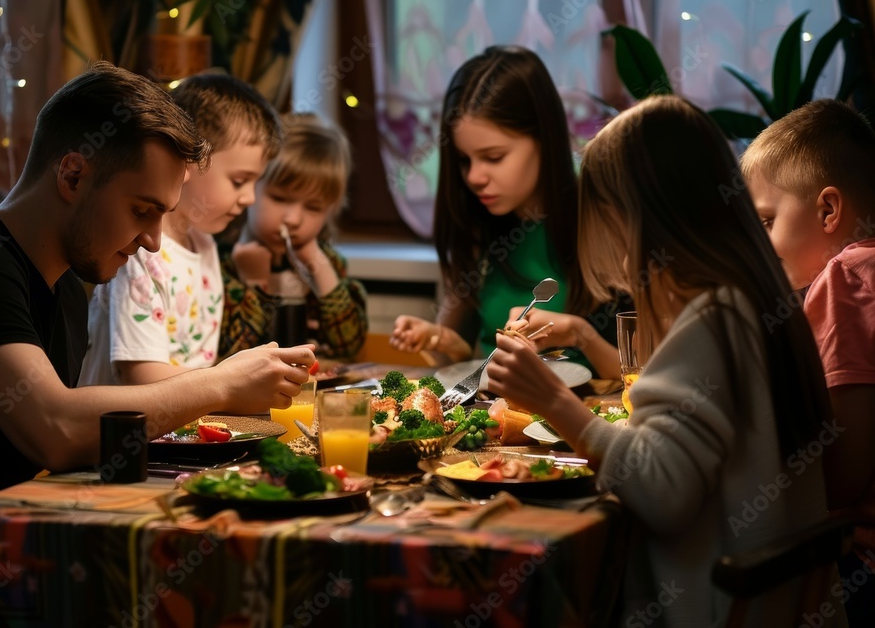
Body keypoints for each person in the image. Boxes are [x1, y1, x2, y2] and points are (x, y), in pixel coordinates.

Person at [0, 62, 314, 581]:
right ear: (73, 175)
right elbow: (55, 428)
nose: (153, 239)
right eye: (142, 210)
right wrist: (221, 384)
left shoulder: (66, 288)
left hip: (8, 553)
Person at [487, 95, 837, 624]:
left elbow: (663, 492)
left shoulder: (714, 317)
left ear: (645, 216)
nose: (617, 249)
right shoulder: (757, 299)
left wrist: (554, 399)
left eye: (611, 218)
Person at [388, 45, 622, 378]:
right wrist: (436, 337)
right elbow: (462, 361)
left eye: (494, 157)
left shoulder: (603, 212)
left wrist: (581, 335)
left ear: (545, 138)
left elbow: (640, 376)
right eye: (464, 160)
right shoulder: (478, 217)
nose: (473, 177)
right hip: (493, 417)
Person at [741, 98, 875, 626]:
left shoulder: (844, 280)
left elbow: (841, 478)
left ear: (827, 210)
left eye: (768, 221)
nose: (760, 245)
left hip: (856, 566)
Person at [80, 73, 281, 385]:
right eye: (239, 181)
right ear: (189, 160)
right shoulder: (138, 252)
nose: (250, 198)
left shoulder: (204, 244)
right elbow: (143, 378)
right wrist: (234, 381)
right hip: (121, 430)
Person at [220, 113, 368, 359]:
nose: (293, 219)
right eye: (280, 199)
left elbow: (349, 345)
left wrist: (320, 268)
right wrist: (255, 282)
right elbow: (234, 353)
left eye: (313, 208)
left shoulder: (328, 262)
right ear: (250, 185)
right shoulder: (223, 263)